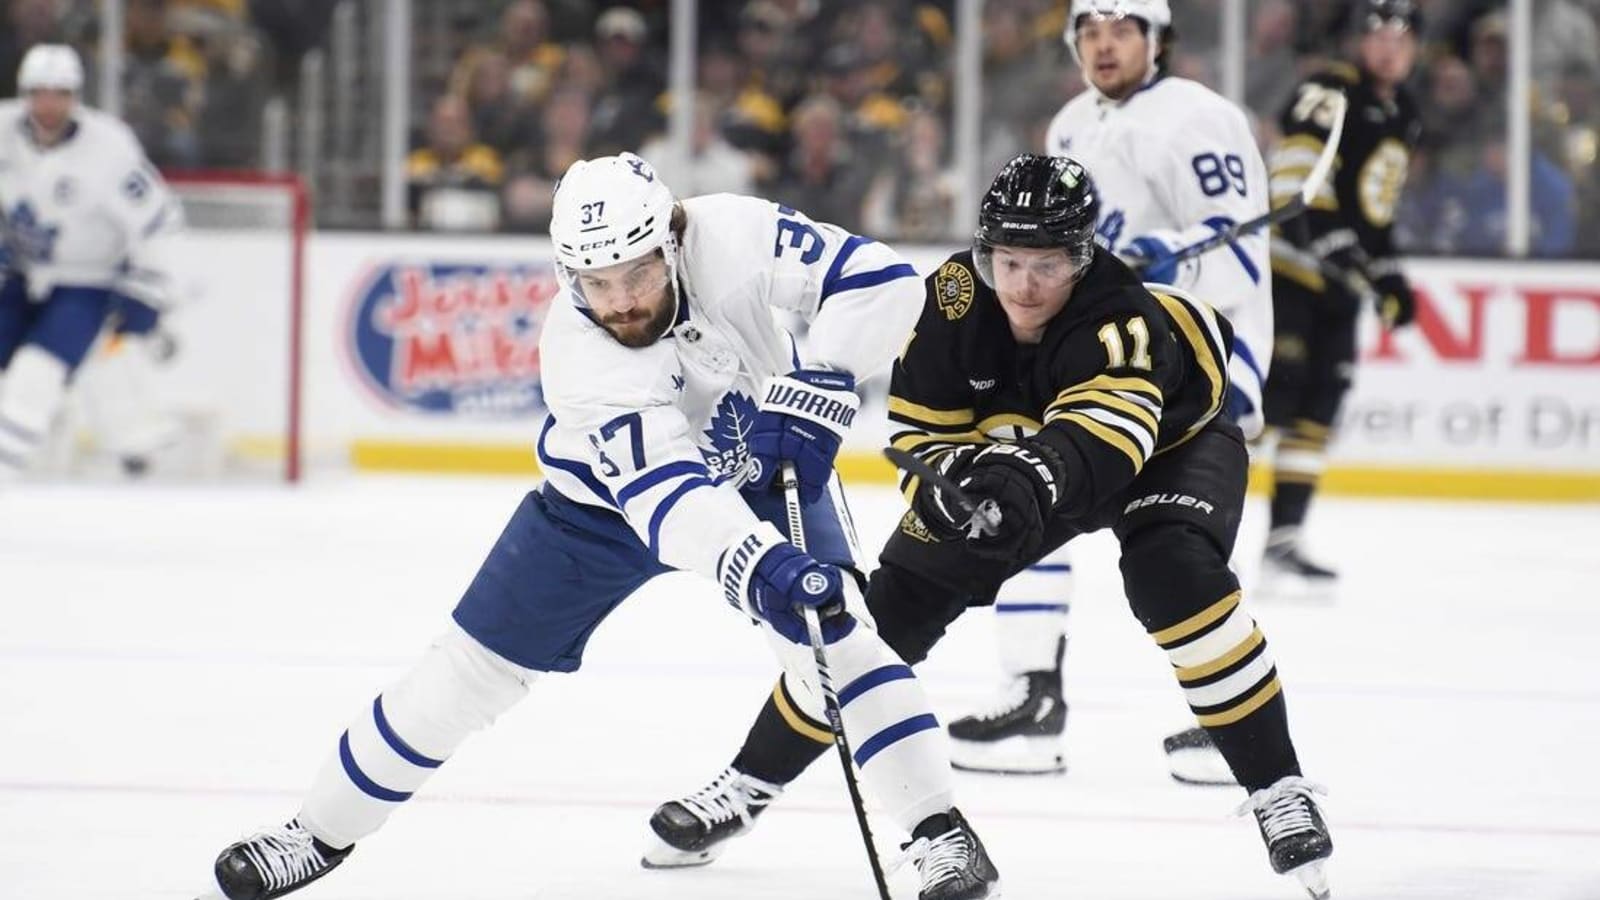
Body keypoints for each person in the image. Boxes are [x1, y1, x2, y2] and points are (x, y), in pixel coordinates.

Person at [197, 153, 1001, 900]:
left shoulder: (735, 231)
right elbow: (672, 502)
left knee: (838, 635)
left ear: (672, 240)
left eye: (637, 273)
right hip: (598, 510)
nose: (619, 301)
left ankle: (940, 831)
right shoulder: (580, 360)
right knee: (462, 678)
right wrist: (763, 567)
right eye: (595, 282)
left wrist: (819, 380)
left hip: (762, 461)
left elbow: (882, 278)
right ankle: (317, 833)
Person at [647, 154, 1335, 900]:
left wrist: (1020, 478)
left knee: (1173, 577)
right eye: (1007, 261)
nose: (1023, 285)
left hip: (1172, 446)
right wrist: (947, 490)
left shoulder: (1119, 313)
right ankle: (748, 784)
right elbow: (919, 433)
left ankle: (1278, 788)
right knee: (880, 622)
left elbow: (1108, 441)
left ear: (1081, 257)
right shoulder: (949, 301)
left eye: (1045, 265)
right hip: (1022, 470)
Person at [945, 0, 1275, 785]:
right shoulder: (1068, 129)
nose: (1104, 45)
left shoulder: (1201, 119)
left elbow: (1242, 257)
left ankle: (1226, 715)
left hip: (1201, 357)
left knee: (1171, 545)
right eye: (1090, 32)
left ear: (1156, 39)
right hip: (1111, 354)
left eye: (1121, 30)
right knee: (1019, 478)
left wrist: (1174, 263)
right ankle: (1032, 694)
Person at [1262, 0, 1422, 596]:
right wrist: (1321, 230)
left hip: (1339, 288)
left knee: (1317, 412)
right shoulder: (1331, 87)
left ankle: (1283, 542)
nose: (1387, 47)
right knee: (1265, 408)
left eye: (1400, 38)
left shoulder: (1402, 110)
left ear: (1415, 49)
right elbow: (1294, 167)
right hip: (1289, 276)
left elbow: (1375, 211)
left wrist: (1385, 272)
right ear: (1358, 41)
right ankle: (1198, 533)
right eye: (1376, 34)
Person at [0, 44, 185, 481]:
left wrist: (150, 288)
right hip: (19, 274)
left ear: (76, 96)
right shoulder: (2, 129)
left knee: (38, 372)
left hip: (88, 281)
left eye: (60, 94)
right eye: (39, 93)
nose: (49, 105)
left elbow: (161, 220)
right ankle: (136, 437)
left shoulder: (108, 147)